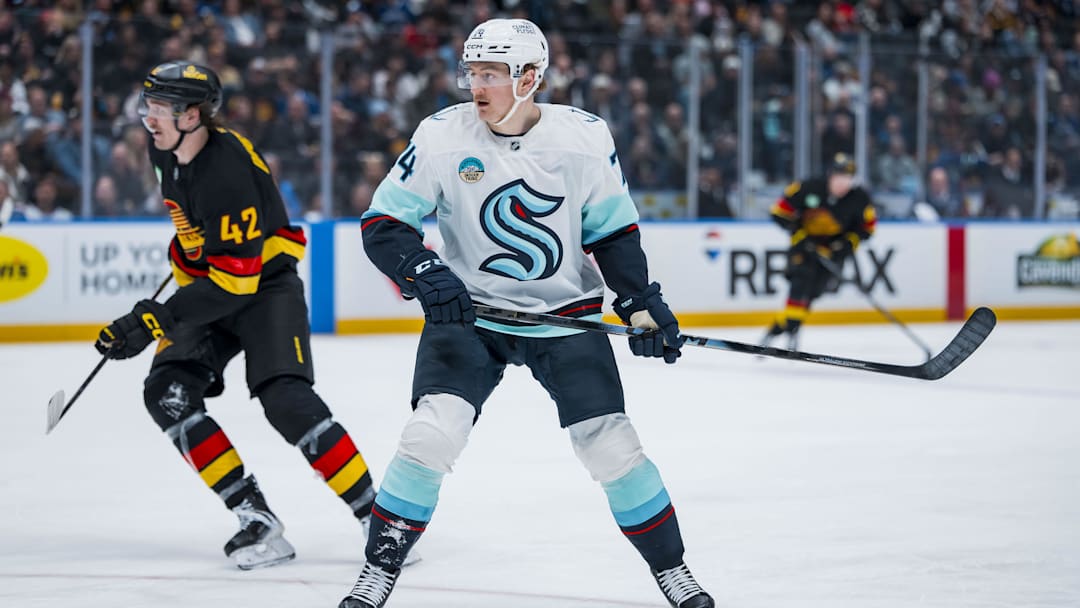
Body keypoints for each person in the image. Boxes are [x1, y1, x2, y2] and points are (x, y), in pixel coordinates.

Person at [339, 19, 714, 608]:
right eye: (472, 73)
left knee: (610, 446)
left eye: (490, 74)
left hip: (565, 315)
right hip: (471, 315)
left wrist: (640, 302)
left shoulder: (584, 138)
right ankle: (379, 570)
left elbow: (612, 232)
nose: (476, 87)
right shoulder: (441, 136)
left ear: (530, 77)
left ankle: (674, 571)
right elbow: (383, 226)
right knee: (430, 436)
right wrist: (425, 271)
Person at [94, 62, 378, 570]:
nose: (149, 119)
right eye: (148, 107)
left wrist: (153, 319)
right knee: (168, 393)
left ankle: (377, 519)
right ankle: (255, 518)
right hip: (219, 284)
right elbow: (192, 232)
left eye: (160, 109)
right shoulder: (164, 150)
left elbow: (237, 281)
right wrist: (182, 262)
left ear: (193, 115)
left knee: (286, 400)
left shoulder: (226, 170)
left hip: (264, 287)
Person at [761, 152, 877, 350]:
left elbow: (867, 228)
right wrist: (799, 236)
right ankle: (791, 326)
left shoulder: (859, 198)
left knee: (814, 292)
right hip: (804, 248)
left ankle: (781, 326)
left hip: (833, 252)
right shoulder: (808, 188)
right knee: (801, 279)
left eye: (848, 179)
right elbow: (778, 212)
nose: (843, 183)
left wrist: (847, 244)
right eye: (839, 177)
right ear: (830, 175)